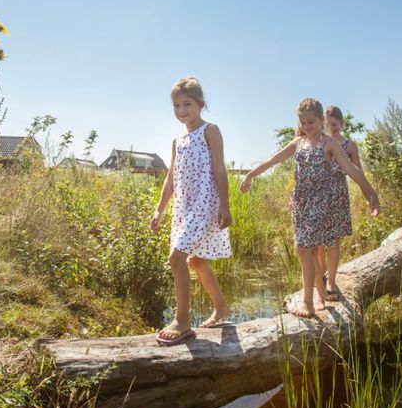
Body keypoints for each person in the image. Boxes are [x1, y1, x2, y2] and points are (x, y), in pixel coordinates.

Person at [240, 98, 379, 318]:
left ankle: (308, 302)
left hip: (321, 202)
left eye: (311, 121)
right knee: (311, 249)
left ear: (322, 119)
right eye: (303, 122)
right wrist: (250, 174)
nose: (306, 126)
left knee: (302, 247)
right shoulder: (298, 143)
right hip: (300, 203)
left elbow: (352, 171)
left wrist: (371, 193)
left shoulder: (329, 144)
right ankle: (320, 294)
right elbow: (272, 160)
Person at [150, 77, 233, 345]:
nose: (182, 110)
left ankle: (182, 321)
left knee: (177, 258)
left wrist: (225, 205)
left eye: (187, 104)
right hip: (184, 207)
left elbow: (220, 169)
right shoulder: (178, 140)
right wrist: (159, 210)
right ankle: (221, 307)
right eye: (176, 105)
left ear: (200, 104)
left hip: (206, 203)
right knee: (196, 261)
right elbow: (171, 177)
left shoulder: (210, 131)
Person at [316, 105, 364, 301]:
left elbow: (357, 171)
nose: (331, 128)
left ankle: (331, 282)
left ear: (341, 124)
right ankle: (320, 276)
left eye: (334, 125)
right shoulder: (319, 142)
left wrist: (368, 194)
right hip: (318, 195)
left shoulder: (350, 146)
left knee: (334, 241)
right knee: (319, 241)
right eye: (327, 125)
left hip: (338, 194)